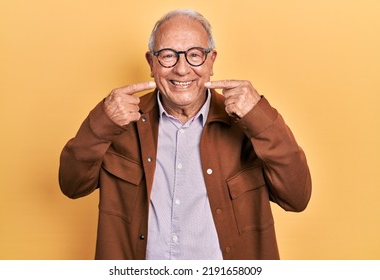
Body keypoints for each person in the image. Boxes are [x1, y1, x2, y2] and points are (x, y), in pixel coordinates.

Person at [59, 9, 311, 260]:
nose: (181, 69)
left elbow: (297, 197)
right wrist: (102, 122)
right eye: (168, 55)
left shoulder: (247, 122)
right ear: (151, 63)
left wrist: (260, 117)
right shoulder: (120, 121)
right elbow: (72, 185)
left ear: (211, 61)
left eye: (195, 55)